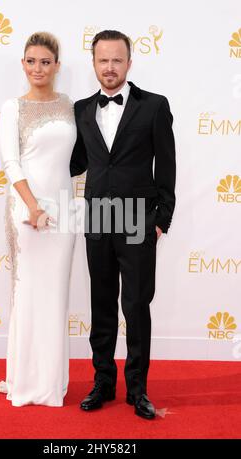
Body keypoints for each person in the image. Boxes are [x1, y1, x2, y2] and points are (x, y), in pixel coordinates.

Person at [70, 30, 176, 419]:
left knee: (135, 305)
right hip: (97, 213)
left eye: (117, 60)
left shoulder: (153, 106)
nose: (109, 67)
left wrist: (161, 217)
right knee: (101, 304)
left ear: (129, 63)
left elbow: (166, 162)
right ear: (93, 63)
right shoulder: (81, 109)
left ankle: (138, 389)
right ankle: (102, 382)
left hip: (137, 214)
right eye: (103, 60)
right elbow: (75, 161)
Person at [0, 32, 76, 407]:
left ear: (57, 66)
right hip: (27, 211)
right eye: (31, 61)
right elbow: (11, 163)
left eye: (45, 62)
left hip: (64, 213)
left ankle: (50, 381)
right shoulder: (12, 107)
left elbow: (79, 161)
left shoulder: (69, 105)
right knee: (28, 293)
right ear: (23, 64)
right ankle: (25, 381)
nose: (37, 68)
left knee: (55, 295)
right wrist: (32, 207)